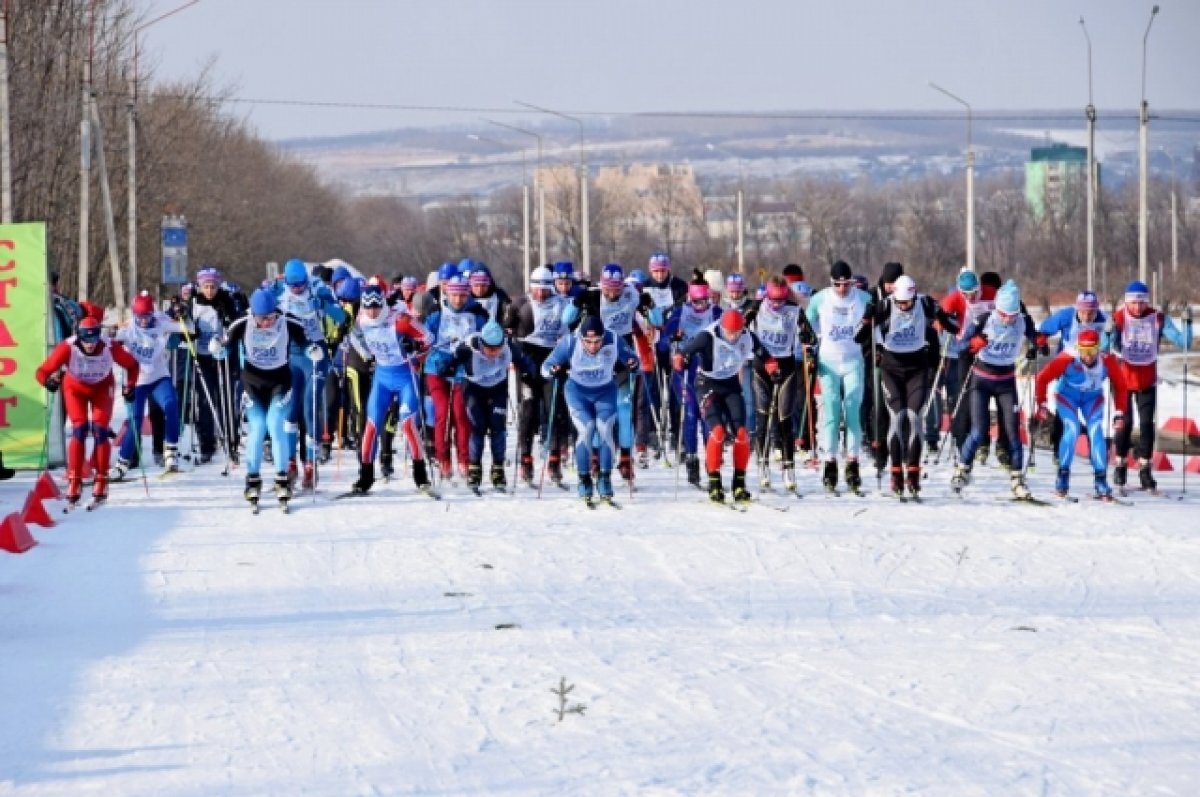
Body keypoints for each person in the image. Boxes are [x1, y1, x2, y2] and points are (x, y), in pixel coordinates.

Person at [36, 318, 140, 506]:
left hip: (102, 388)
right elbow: (42, 371)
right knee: (80, 428)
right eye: (85, 340)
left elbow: (132, 366)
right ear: (79, 336)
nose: (90, 345)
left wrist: (130, 386)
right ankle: (74, 480)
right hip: (75, 388)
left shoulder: (109, 346)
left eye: (93, 340)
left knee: (100, 429)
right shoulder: (67, 347)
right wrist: (48, 382)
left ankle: (101, 479)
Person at [222, 288, 311, 508]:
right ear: (253, 314)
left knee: (275, 424)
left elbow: (306, 343)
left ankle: (282, 478)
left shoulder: (288, 321)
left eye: (271, 317)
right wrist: (219, 350)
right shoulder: (242, 322)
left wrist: (314, 351)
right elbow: (226, 347)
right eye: (262, 319)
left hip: (280, 383)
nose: (267, 323)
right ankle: (252, 479)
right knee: (258, 427)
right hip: (252, 384)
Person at [950, 280, 1039, 499]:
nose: (1009, 319)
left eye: (1012, 315)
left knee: (1012, 431)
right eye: (1004, 314)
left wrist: (1038, 344)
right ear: (997, 309)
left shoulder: (1023, 321)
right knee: (979, 430)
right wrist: (974, 344)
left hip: (1006, 381)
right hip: (981, 380)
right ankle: (963, 469)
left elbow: (1036, 338)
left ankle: (1017, 479)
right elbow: (960, 346)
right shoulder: (983, 320)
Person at [871, 275, 958, 498]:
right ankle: (895, 472)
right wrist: (866, 325)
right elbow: (864, 331)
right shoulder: (886, 305)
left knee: (914, 418)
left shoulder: (925, 302)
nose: (904, 307)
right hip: (891, 369)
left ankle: (913, 472)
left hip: (917, 370)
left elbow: (950, 324)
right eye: (900, 303)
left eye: (907, 302)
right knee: (897, 418)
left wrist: (948, 322)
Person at [345, 282, 434, 496]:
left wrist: (414, 348)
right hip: (382, 378)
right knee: (371, 425)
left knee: (407, 423)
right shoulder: (362, 318)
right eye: (368, 307)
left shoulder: (400, 320)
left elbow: (429, 339)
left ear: (382, 303)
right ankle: (365, 476)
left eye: (376, 306)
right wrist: (368, 355)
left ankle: (420, 476)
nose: (372, 312)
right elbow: (355, 337)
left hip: (404, 376)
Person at [675, 308, 771, 503]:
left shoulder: (747, 336)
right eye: (729, 333)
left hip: (730, 385)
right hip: (707, 384)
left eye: (737, 333)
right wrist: (680, 360)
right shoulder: (707, 336)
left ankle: (739, 484)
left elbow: (764, 355)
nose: (734, 337)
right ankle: (714, 482)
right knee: (717, 432)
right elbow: (684, 352)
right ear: (722, 328)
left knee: (742, 434)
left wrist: (772, 367)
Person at [541, 315, 639, 504]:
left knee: (605, 429)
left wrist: (633, 364)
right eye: (588, 342)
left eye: (597, 341)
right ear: (581, 338)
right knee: (586, 430)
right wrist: (552, 370)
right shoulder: (570, 342)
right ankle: (584, 479)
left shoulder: (614, 339)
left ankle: (604, 478)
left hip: (605, 391)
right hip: (578, 393)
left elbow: (634, 360)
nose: (593, 346)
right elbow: (544, 367)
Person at [1109, 280, 1191, 492]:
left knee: (1147, 425)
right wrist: (1109, 334)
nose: (1138, 307)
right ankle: (1120, 464)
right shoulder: (1119, 317)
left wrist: (1187, 323)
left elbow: (1184, 343)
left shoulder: (1157, 319)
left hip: (1147, 380)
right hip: (1123, 380)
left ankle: (1145, 469)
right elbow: (1105, 344)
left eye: (1142, 302)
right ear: (1127, 302)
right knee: (1124, 424)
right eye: (1133, 303)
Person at [274, 258, 347, 489]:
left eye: (300, 285)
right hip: (290, 355)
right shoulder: (277, 290)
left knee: (309, 406)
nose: (297, 289)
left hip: (315, 354)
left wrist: (323, 306)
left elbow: (342, 317)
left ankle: (310, 464)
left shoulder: (317, 288)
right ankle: (290, 462)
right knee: (290, 408)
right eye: (293, 285)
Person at [1034, 328, 1128, 499]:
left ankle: (1100, 480)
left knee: (1096, 431)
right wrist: (1041, 403)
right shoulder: (1067, 358)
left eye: (1092, 351)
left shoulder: (1107, 360)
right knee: (1072, 429)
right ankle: (1062, 477)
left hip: (1092, 399)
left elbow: (1121, 386)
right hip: (1067, 396)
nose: (1088, 356)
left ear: (1098, 349)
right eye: (1084, 351)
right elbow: (1042, 378)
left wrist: (1119, 412)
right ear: (1078, 348)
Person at [806, 260, 874, 494]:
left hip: (854, 361)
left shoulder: (863, 298)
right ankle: (830, 464)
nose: (842, 289)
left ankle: (853, 464)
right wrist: (812, 340)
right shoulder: (821, 298)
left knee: (853, 410)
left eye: (846, 284)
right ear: (831, 282)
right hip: (828, 363)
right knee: (832, 413)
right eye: (838, 285)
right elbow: (807, 320)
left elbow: (879, 316)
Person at [112, 291, 193, 479]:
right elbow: (105, 339)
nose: (144, 322)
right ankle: (122, 463)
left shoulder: (161, 321)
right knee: (136, 420)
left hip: (158, 377)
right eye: (140, 317)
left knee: (171, 404)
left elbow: (187, 327)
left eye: (147, 317)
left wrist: (184, 313)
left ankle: (170, 451)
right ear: (134, 315)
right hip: (138, 382)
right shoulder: (128, 329)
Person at [448, 320, 536, 491]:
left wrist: (530, 372)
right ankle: (475, 468)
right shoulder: (468, 347)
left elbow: (525, 360)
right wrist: (448, 368)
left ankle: (498, 468)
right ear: (482, 343)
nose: (494, 353)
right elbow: (451, 361)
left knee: (498, 428)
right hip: (473, 389)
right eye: (489, 349)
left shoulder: (508, 347)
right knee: (477, 427)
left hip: (497, 389)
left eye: (497, 349)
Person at [505, 265, 571, 485]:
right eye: (537, 290)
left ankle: (554, 461)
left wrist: (565, 357)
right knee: (529, 410)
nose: (541, 295)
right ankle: (526, 458)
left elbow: (572, 332)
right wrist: (510, 348)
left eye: (545, 290)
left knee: (554, 409)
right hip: (528, 359)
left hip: (552, 359)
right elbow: (506, 331)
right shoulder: (519, 305)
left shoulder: (562, 304)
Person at [425, 274, 489, 480]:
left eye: (462, 295)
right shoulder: (437, 315)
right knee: (443, 413)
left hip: (462, 370)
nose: (458, 300)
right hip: (438, 369)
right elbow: (424, 338)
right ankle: (443, 459)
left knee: (461, 415)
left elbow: (483, 341)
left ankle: (464, 460)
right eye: (454, 295)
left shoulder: (474, 315)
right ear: (447, 294)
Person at [745, 276, 806, 491]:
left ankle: (789, 468)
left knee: (784, 420)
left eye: (781, 300)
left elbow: (809, 336)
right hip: (762, 367)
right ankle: (762, 464)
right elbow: (742, 329)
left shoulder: (794, 310)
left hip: (786, 368)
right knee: (762, 418)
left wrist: (808, 338)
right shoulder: (756, 307)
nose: (777, 305)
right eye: (773, 300)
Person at [1036, 290, 1110, 464]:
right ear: (1077, 309)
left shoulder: (1104, 320)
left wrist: (1110, 336)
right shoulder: (1066, 316)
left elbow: (1110, 342)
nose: (1086, 316)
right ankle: (1058, 450)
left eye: (1091, 312)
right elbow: (1044, 329)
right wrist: (1041, 340)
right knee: (1065, 412)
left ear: (1096, 310)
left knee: (1094, 415)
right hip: (1067, 367)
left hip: (1091, 368)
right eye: (1082, 312)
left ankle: (1095, 452)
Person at [662, 279, 722, 487]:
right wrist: (673, 336)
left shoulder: (716, 313)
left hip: (706, 370)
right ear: (690, 299)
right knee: (689, 415)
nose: (701, 306)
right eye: (696, 302)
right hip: (684, 370)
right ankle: (691, 459)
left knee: (707, 418)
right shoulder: (680, 313)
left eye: (704, 301)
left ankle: (711, 461)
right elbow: (663, 340)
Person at [188, 266, 239, 464]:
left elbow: (234, 326)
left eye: (213, 287)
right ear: (199, 286)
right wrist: (191, 333)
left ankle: (230, 441)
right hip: (201, 356)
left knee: (224, 399)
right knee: (205, 401)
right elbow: (184, 323)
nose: (209, 291)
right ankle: (206, 445)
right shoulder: (193, 302)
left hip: (221, 357)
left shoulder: (225, 301)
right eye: (206, 286)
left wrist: (228, 336)